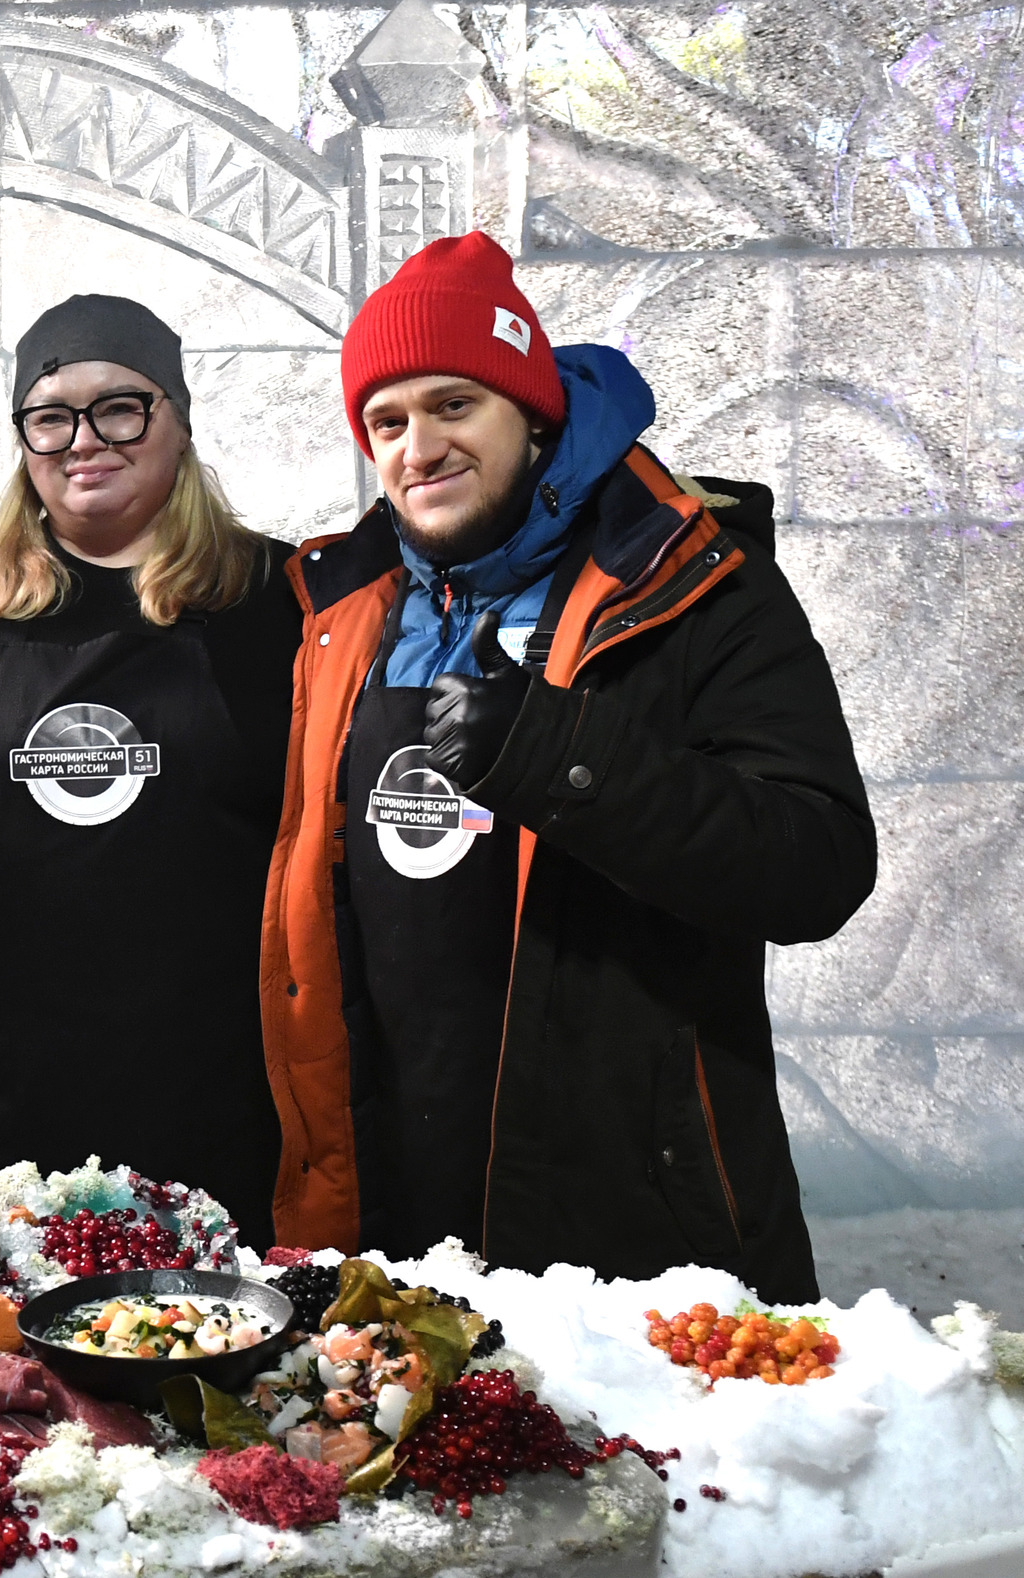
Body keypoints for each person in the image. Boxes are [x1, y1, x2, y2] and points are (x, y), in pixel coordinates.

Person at [261, 233, 873, 1301]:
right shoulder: (340, 607)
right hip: (393, 1202)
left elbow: (815, 863)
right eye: (387, 421)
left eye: (455, 405)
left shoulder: (691, 584)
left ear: (532, 414)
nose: (418, 447)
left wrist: (555, 757)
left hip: (627, 1218)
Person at [0, 296, 297, 1243]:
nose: (86, 440)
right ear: (25, 440)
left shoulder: (269, 602)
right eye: (51, 416)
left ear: (179, 418)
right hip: (7, 1099)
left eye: (122, 406)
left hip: (216, 1088)